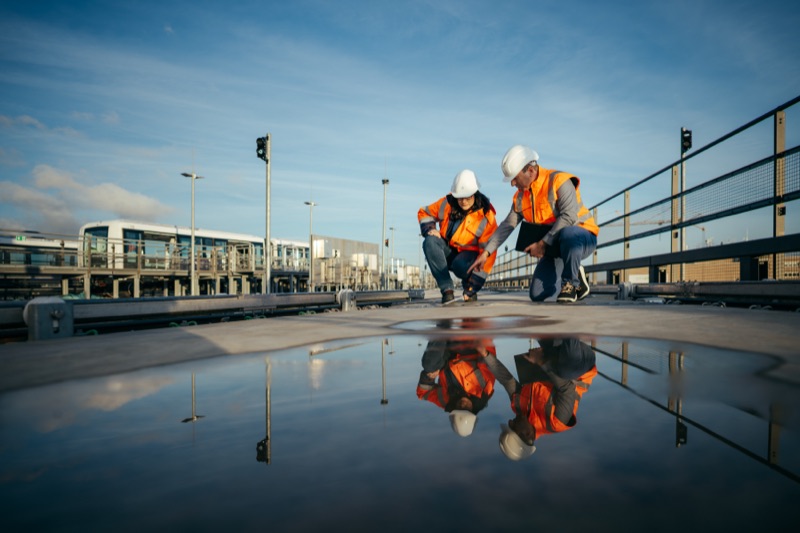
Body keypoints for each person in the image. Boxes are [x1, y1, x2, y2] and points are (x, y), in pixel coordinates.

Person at [468, 145, 599, 303]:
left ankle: (570, 283)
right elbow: (506, 226)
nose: (512, 184)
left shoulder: (559, 181)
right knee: (536, 294)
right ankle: (574, 272)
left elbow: (569, 216)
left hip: (581, 237)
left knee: (568, 233)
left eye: (514, 178)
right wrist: (485, 253)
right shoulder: (520, 197)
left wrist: (542, 244)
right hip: (554, 247)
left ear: (530, 170)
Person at [481, 337, 597, 460]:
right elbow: (566, 388)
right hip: (579, 362)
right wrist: (541, 362)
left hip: (552, 355)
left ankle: (562, 328)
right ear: (527, 434)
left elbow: (506, 380)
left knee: (532, 324)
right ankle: (572, 328)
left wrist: (485, 354)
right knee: (566, 369)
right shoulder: (556, 422)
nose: (510, 421)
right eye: (512, 426)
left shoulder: (518, 406)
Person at [418, 169, 498, 304]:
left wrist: (473, 287)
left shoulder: (486, 215)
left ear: (475, 194)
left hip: (468, 261)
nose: (464, 202)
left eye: (468, 197)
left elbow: (488, 254)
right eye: (460, 198)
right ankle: (447, 290)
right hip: (449, 252)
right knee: (430, 242)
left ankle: (468, 284)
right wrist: (431, 229)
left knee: (459, 264)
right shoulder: (447, 203)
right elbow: (424, 212)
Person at [416, 338, 497, 437]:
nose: (462, 405)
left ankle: (441, 328)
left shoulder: (446, 402)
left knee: (429, 366)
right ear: (473, 410)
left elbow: (423, 393)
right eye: (466, 409)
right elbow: (489, 358)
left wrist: (429, 377)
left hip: (445, 355)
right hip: (469, 347)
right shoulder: (484, 389)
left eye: (459, 408)